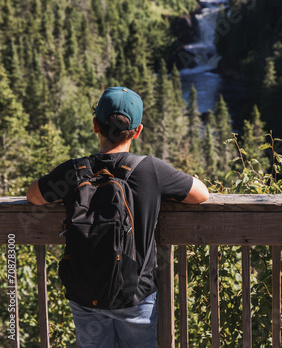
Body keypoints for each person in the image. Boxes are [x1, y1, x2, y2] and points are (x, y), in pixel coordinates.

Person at [26, 86, 209, 348]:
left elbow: (34, 196)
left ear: (95, 126)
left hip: (84, 294)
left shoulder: (74, 171)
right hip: (134, 296)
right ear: (137, 131)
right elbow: (201, 194)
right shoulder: (151, 170)